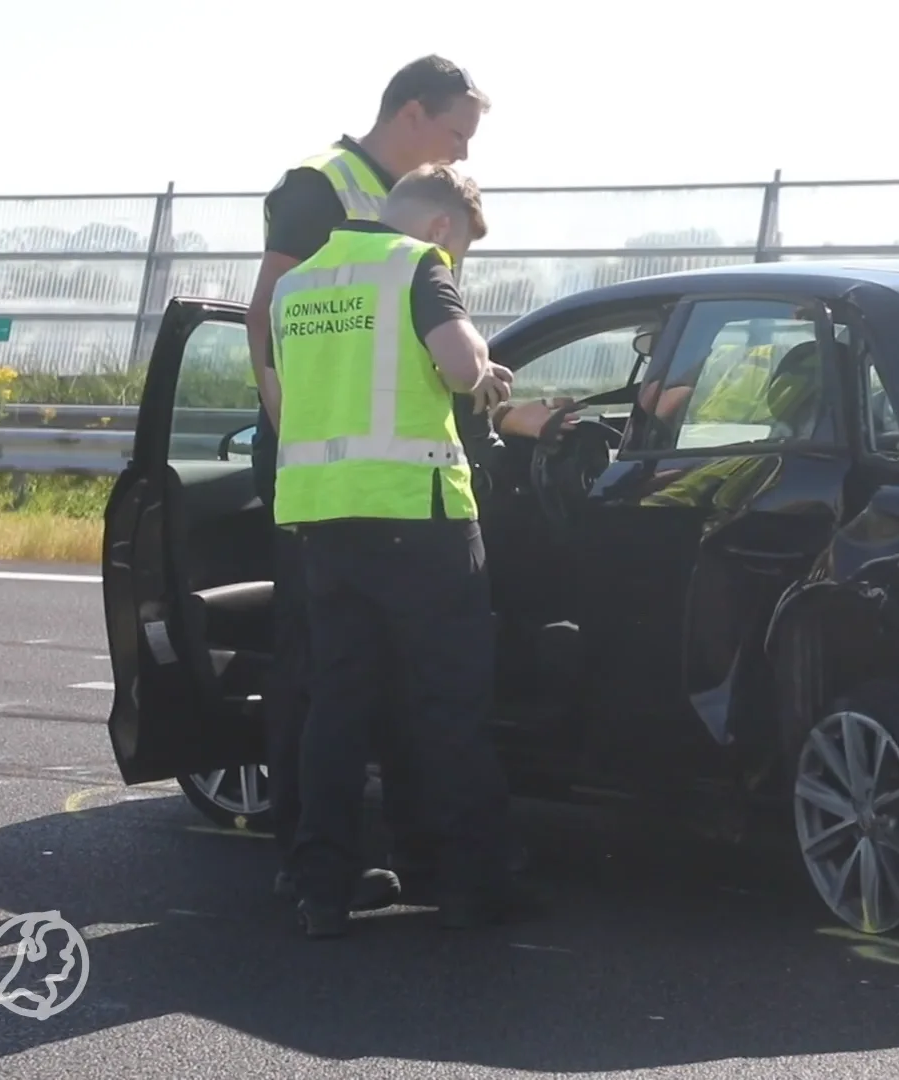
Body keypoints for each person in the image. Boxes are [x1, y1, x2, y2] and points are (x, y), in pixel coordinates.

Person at [267, 162, 554, 939]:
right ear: (437, 229)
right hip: (418, 516)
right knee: (449, 706)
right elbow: (459, 367)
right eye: (459, 250)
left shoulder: (300, 285)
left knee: (337, 709)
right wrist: (488, 375)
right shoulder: (416, 266)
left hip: (323, 522)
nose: (456, 263)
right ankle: (473, 885)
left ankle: (320, 885)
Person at [242, 54, 490, 911]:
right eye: (457, 134)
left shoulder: (395, 219)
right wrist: (287, 426)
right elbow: (260, 321)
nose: (462, 154)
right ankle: (434, 875)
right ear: (413, 113)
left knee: (343, 696)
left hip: (328, 498)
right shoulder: (326, 188)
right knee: (368, 684)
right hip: (394, 499)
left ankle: (329, 876)